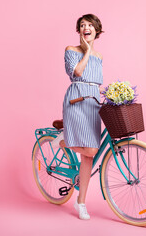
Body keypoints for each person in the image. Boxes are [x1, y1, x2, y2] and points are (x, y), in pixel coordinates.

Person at [54, 14, 104, 220]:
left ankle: (80, 202)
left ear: (96, 31)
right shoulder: (71, 50)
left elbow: (97, 81)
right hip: (76, 100)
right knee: (91, 149)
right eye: (82, 25)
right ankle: (63, 141)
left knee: (89, 155)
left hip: (94, 103)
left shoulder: (99, 57)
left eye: (90, 25)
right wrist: (87, 51)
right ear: (79, 32)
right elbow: (77, 74)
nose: (86, 28)